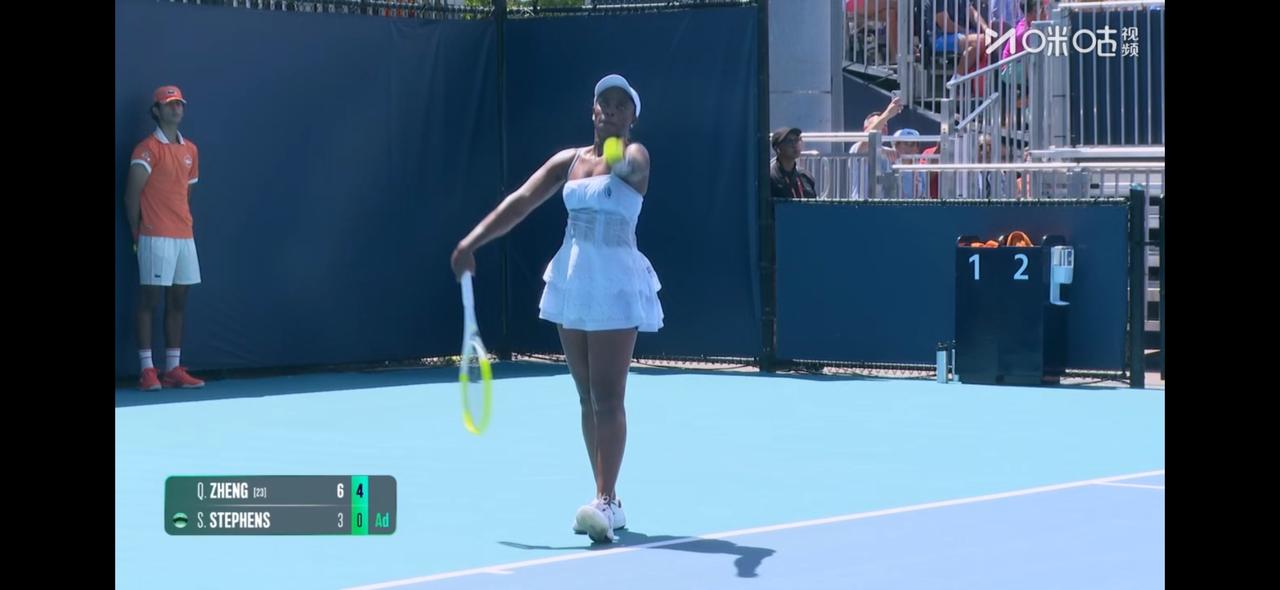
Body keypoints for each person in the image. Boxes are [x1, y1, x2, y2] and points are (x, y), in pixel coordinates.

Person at [450, 75, 662, 544]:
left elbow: (624, 165)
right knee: (587, 397)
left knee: (609, 396)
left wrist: (612, 146)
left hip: (615, 282)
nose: (610, 109)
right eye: (603, 102)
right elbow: (520, 202)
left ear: (632, 117)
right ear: (592, 110)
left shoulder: (635, 156)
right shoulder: (568, 161)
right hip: (573, 278)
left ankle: (604, 500)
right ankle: (608, 499)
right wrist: (472, 242)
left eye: (620, 105)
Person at [124, 85, 206, 391]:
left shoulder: (191, 150)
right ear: (156, 111)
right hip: (154, 235)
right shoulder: (146, 149)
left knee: (178, 301)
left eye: (179, 103)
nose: (176, 108)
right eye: (169, 104)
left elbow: (187, 193)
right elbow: (131, 196)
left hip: (184, 235)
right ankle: (147, 370)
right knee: (150, 300)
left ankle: (173, 369)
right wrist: (137, 231)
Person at [769, 127, 818, 199]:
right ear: (777, 148)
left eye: (797, 140)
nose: (794, 145)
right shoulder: (771, 178)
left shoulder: (805, 176)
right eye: (789, 141)